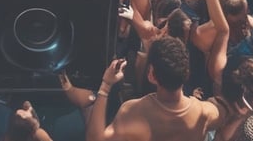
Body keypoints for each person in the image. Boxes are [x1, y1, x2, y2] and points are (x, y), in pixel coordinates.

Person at [86, 38, 231, 141]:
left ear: (151, 75)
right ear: (186, 73)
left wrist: (105, 86)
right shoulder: (204, 112)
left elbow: (95, 139)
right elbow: (228, 111)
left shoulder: (132, 113)